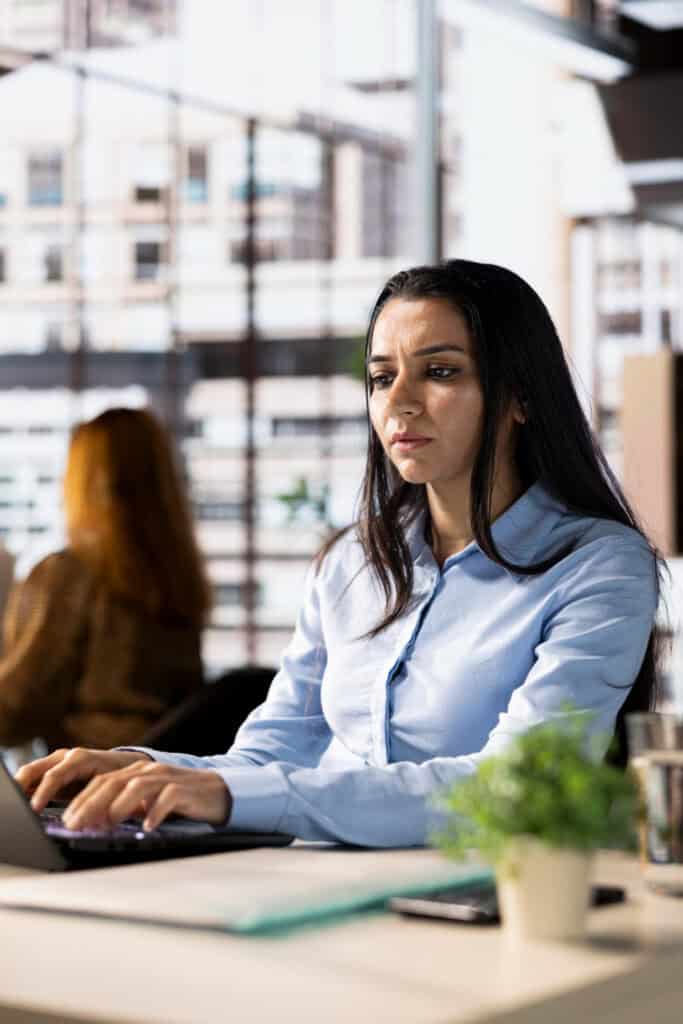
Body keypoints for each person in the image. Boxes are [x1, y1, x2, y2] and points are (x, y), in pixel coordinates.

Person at [17, 261, 663, 848]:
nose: (399, 402)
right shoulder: (350, 563)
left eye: (439, 371)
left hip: (480, 901)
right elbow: (269, 757)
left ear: (519, 396)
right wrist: (146, 769)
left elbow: (515, 787)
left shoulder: (599, 566)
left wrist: (233, 793)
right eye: (382, 377)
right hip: (306, 889)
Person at [0, 407, 211, 751]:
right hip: (164, 782)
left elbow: (17, 710)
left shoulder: (70, 573)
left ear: (82, 481)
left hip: (85, 785)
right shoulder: (179, 580)